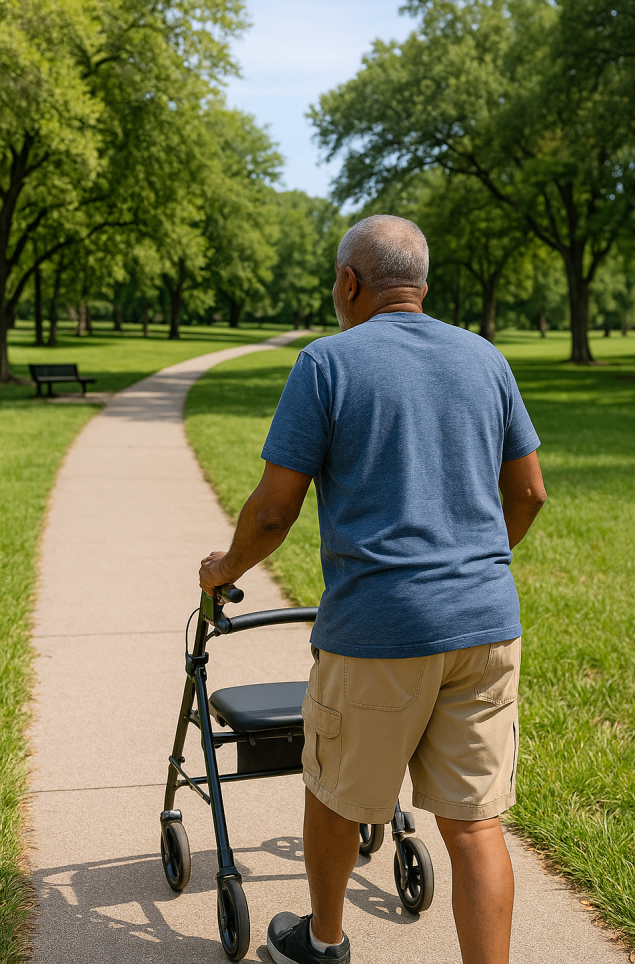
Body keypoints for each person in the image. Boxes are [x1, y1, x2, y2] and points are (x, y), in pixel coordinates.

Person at [199, 215, 546, 964]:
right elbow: (529, 494)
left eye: (335, 283)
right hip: (484, 624)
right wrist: (475, 561)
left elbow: (271, 510)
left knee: (332, 794)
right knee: (474, 824)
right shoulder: (486, 360)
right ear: (420, 284)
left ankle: (322, 943)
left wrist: (222, 571)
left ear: (349, 283)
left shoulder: (326, 363)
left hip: (379, 629)